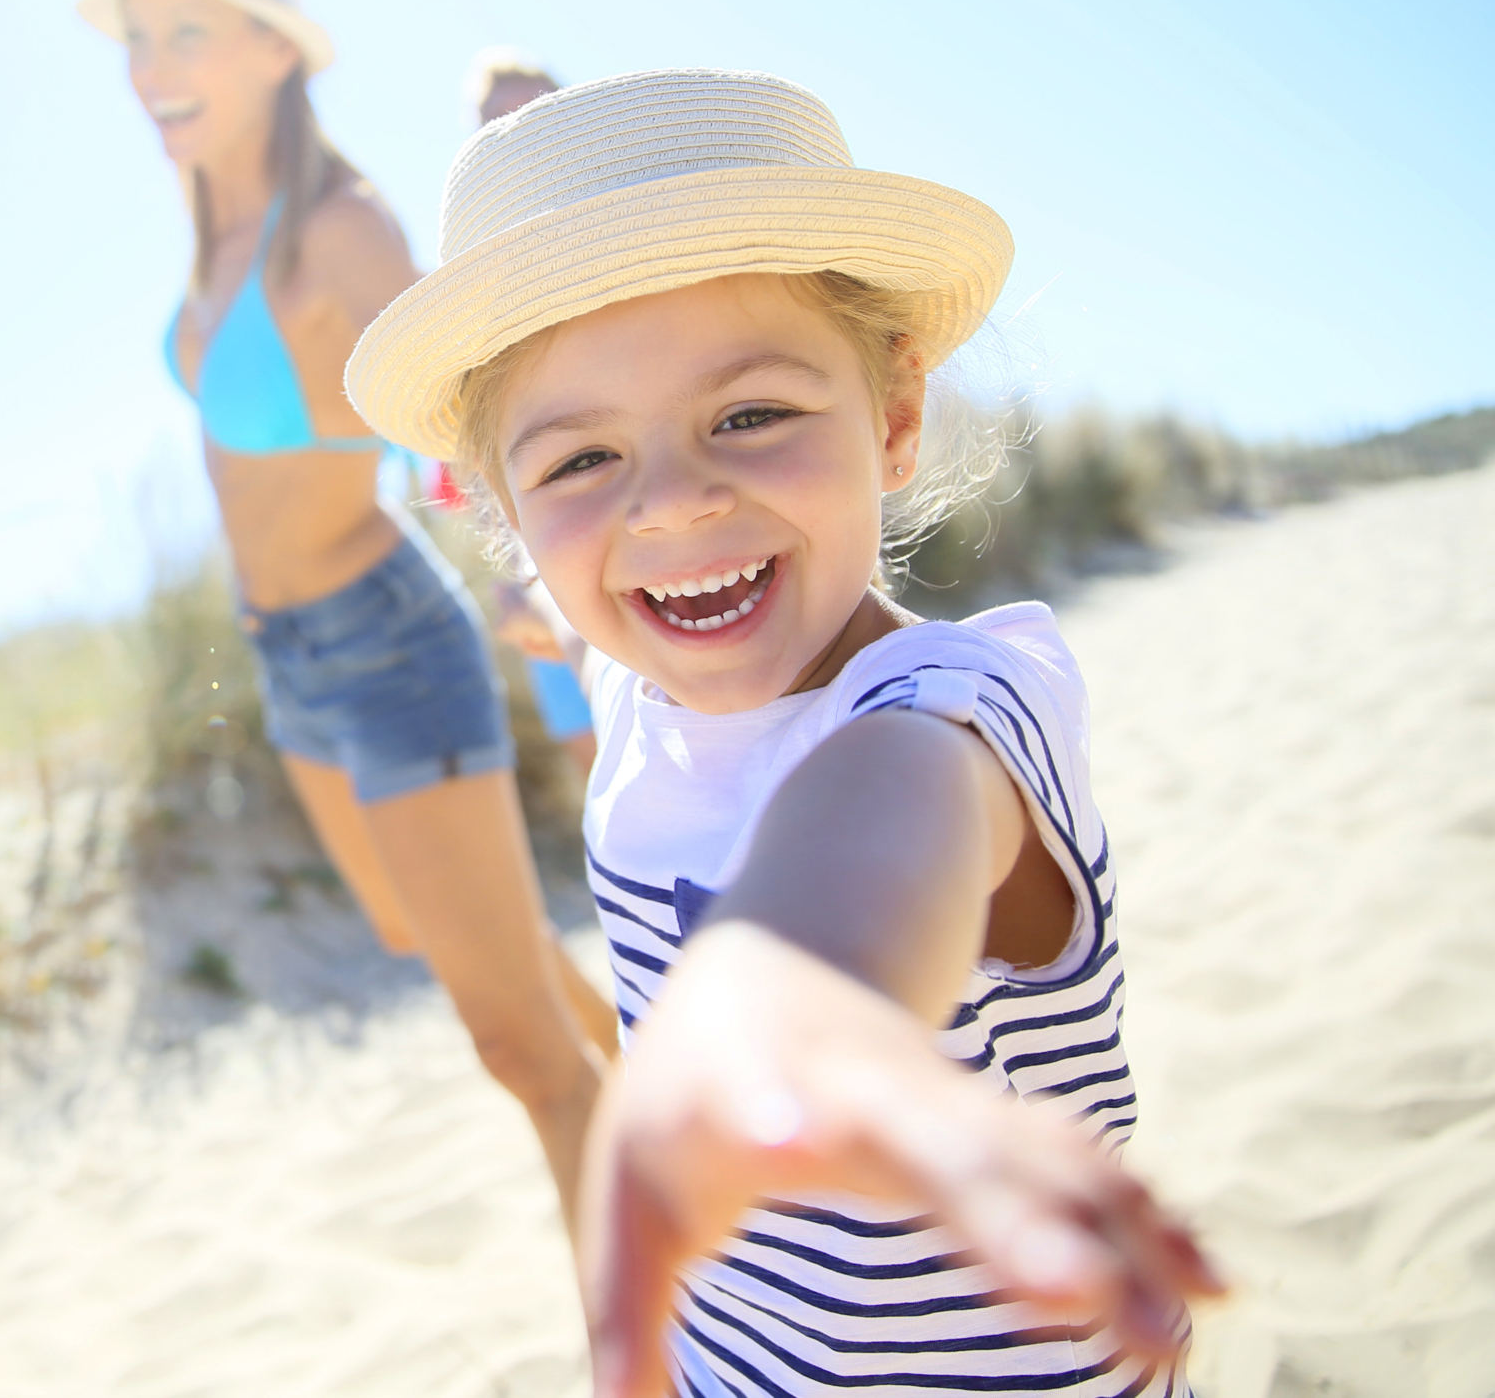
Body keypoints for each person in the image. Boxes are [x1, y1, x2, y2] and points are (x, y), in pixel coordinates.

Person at [344, 69, 1221, 1395]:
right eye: (580, 459)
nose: (675, 507)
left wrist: (793, 1000)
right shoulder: (626, 660)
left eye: (750, 414)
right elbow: (569, 603)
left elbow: (879, 833)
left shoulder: (956, 705)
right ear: (510, 511)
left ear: (896, 413)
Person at [79, 0, 617, 1223]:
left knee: (521, 1055)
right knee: (417, 930)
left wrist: (548, 575)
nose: (152, 71)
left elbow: (463, 422)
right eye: (137, 38)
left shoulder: (340, 227)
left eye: (186, 34)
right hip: (287, 651)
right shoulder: (216, 222)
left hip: (387, 635)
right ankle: (663, 1085)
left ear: (276, 49)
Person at [463, 50, 599, 778]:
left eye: (535, 111)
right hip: (541, 561)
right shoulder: (471, 298)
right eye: (497, 124)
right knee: (599, 755)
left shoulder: (630, 233)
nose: (518, 132)